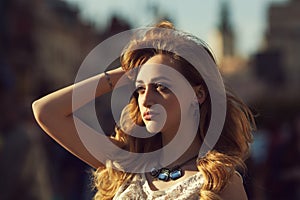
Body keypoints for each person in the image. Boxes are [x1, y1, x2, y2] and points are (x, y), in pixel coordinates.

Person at [32, 21, 255, 200]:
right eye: (139, 89)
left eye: (161, 87)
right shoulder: (128, 161)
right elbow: (45, 111)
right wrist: (123, 73)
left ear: (198, 95)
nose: (146, 99)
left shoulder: (219, 182)